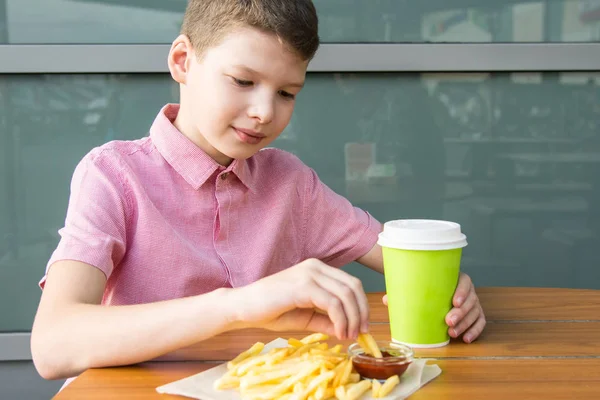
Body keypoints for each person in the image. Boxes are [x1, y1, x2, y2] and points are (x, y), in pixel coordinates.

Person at [30, 0, 486, 383]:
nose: (265, 112)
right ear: (183, 62)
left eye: (287, 92)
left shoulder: (290, 182)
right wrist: (239, 306)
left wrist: (446, 289)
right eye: (243, 81)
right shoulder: (113, 175)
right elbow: (53, 345)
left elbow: (399, 255)